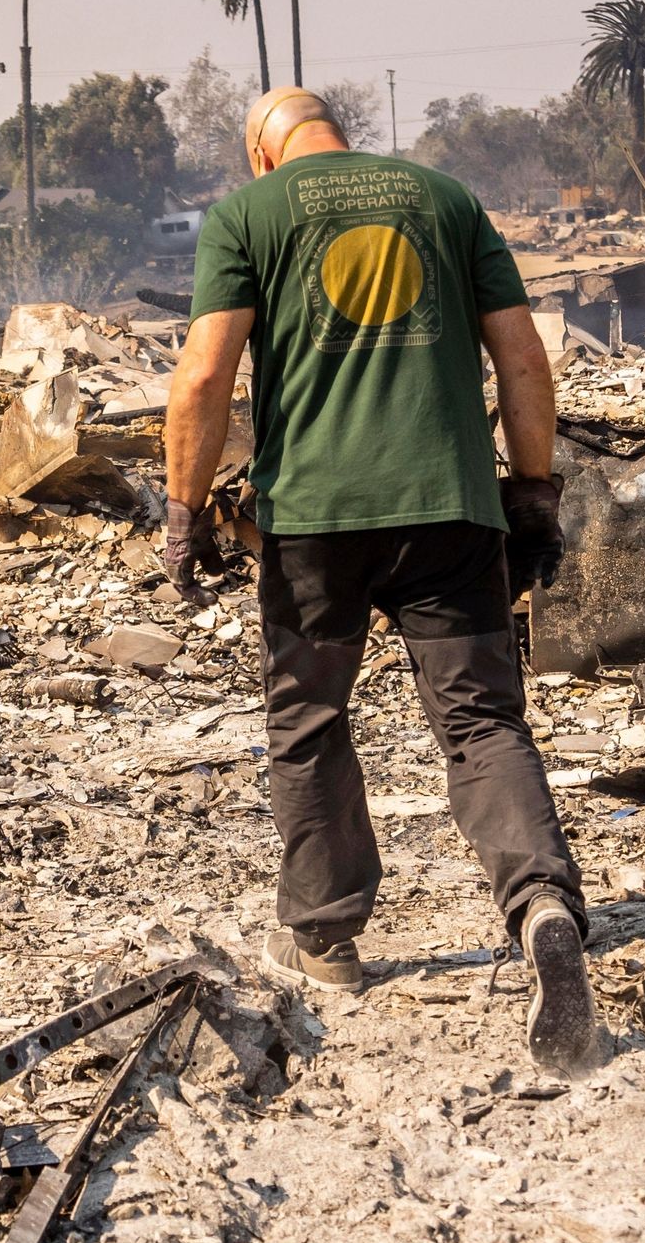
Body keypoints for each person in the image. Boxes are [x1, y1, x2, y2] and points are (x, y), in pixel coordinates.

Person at [163, 86, 594, 1072]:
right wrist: (534, 497)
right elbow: (523, 357)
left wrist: (183, 513)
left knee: (310, 717)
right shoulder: (444, 198)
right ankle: (543, 911)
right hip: (450, 509)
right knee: (483, 724)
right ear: (337, 137)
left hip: (316, 525)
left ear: (264, 157)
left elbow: (201, 377)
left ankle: (325, 937)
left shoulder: (248, 215)